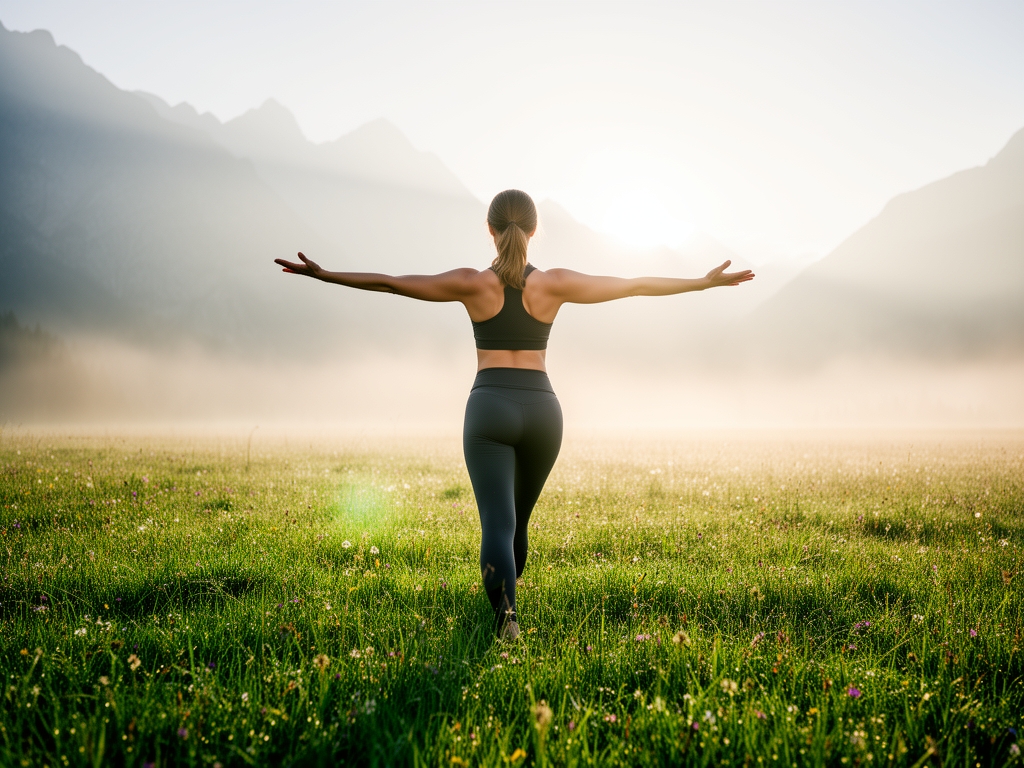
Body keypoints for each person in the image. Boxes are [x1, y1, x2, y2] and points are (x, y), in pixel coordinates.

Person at [275, 189, 753, 640]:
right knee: (518, 525)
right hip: (544, 411)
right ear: (534, 230)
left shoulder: (471, 283)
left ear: (490, 229)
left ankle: (506, 619)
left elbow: (392, 284)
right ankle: (506, 603)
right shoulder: (555, 283)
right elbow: (632, 286)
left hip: (490, 406)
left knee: (497, 526)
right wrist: (701, 283)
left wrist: (326, 275)